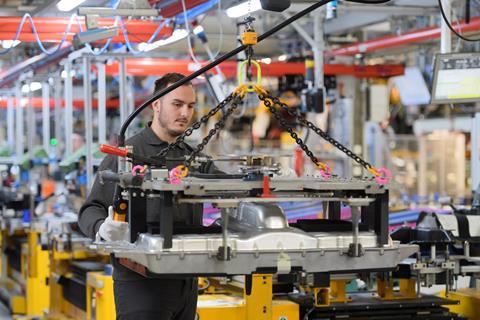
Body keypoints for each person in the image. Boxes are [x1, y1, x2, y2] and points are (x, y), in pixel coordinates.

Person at [78, 73, 218, 320]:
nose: (185, 113)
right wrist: (103, 228)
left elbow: (228, 185)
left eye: (191, 106)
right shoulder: (126, 155)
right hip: (141, 285)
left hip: (187, 282)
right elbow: (91, 209)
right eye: (177, 104)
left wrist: (263, 178)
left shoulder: (194, 158)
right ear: (156, 104)